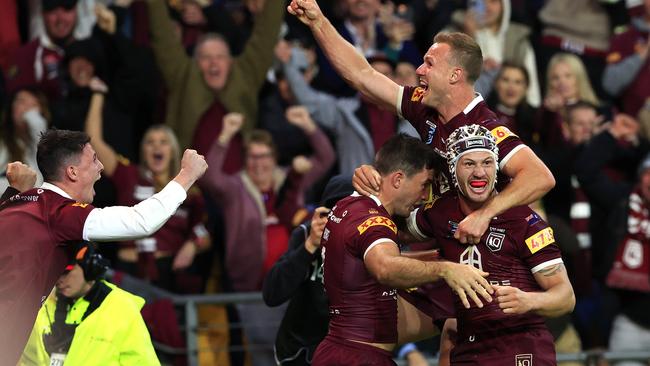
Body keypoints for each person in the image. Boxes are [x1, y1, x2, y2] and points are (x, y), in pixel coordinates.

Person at [287, 1, 554, 245]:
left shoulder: (484, 127)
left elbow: (540, 177)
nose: (418, 70)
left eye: (429, 64)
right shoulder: (424, 104)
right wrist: (318, 22)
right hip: (435, 234)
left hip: (488, 250)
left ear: (454, 75)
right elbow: (362, 75)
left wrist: (484, 215)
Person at [0, 129, 207, 365]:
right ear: (72, 172)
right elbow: (140, 221)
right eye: (94, 160)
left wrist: (14, 192)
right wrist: (186, 176)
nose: (101, 168)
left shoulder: (17, 204)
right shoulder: (60, 213)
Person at [313, 134, 493, 366]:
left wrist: (430, 258)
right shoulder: (376, 222)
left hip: (339, 348)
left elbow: (363, 260)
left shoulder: (346, 206)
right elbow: (385, 268)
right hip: (360, 358)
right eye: (424, 184)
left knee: (452, 317)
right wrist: (445, 269)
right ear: (398, 179)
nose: (423, 196)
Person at [405, 124, 575, 365]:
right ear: (453, 170)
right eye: (469, 164)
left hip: (521, 346)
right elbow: (395, 229)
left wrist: (528, 301)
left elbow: (565, 297)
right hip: (468, 349)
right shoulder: (440, 213)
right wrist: (368, 193)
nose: (479, 173)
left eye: (487, 163)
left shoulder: (525, 222)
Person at [85, 81, 210, 293]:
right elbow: (94, 142)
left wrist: (192, 245)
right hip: (129, 270)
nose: (157, 146)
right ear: (143, 151)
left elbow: (203, 231)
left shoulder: (188, 187)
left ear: (173, 150)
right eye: (150, 142)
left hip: (167, 272)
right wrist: (98, 94)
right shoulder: (129, 175)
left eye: (163, 142)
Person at [262, 175, 353, 365]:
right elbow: (272, 294)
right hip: (298, 354)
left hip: (344, 352)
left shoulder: (369, 242)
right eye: (336, 212)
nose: (342, 221)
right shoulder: (306, 235)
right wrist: (310, 245)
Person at [19, 242, 159, 365]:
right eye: (53, 272)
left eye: (65, 272)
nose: (58, 280)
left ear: (89, 265)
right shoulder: (40, 306)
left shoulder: (121, 308)